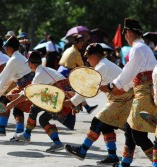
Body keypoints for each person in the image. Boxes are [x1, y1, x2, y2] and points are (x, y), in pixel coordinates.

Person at [63, 43, 134, 165]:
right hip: (121, 98)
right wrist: (74, 98)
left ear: (95, 55)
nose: (87, 59)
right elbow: (92, 90)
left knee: (98, 121)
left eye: (88, 56)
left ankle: (82, 150)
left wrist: (73, 101)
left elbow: (89, 88)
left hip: (124, 99)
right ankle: (112, 156)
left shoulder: (102, 66)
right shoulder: (103, 65)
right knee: (106, 126)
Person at [100, 18, 157, 167]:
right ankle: (125, 162)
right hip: (142, 92)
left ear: (128, 32)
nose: (125, 37)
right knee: (129, 127)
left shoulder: (137, 48)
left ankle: (155, 162)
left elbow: (128, 72)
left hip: (144, 95)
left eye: (125, 33)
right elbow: (135, 75)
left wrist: (113, 86)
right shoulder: (144, 48)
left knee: (138, 134)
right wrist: (121, 88)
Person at [6, 51, 75, 152]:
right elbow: (31, 91)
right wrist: (16, 95)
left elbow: (28, 93)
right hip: (63, 100)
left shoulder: (39, 74)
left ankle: (27, 134)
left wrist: (12, 103)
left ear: (30, 64)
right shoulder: (48, 70)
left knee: (34, 108)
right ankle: (57, 143)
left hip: (59, 101)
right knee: (42, 119)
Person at [0, 36, 34, 136]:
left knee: (5, 102)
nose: (5, 50)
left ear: (10, 48)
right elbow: (9, 78)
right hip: (27, 83)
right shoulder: (19, 57)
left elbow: (4, 77)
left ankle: (1, 128)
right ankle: (19, 132)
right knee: (17, 108)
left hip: (25, 84)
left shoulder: (14, 59)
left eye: (6, 48)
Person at [58, 34, 98, 114]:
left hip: (60, 71)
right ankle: (82, 107)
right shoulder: (76, 53)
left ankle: (86, 107)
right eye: (81, 42)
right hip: (66, 74)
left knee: (76, 92)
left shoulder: (68, 49)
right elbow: (82, 66)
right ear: (76, 42)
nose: (82, 44)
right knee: (77, 91)